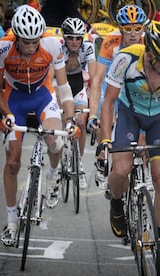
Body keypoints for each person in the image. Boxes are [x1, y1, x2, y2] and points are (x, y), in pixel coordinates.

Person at [97, 21, 160, 270]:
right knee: (120, 170)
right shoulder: (126, 60)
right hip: (130, 116)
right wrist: (105, 139)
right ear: (150, 55)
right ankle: (117, 205)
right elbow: (108, 102)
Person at [0, 5, 75, 246]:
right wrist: (6, 115)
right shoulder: (2, 49)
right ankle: (10, 221)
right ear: (16, 37)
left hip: (42, 94)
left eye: (34, 42)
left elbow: (63, 86)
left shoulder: (52, 45)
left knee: (56, 140)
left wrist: (69, 120)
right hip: (14, 99)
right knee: (12, 161)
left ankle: (51, 175)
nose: (30, 48)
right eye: (25, 42)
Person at [88, 5, 147, 188]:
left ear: (143, 29)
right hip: (111, 89)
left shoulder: (148, 44)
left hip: (134, 93)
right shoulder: (111, 42)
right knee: (103, 122)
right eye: (128, 29)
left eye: (137, 28)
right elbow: (97, 81)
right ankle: (102, 155)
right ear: (121, 29)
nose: (132, 33)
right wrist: (92, 114)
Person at [60, 17, 97, 189]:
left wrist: (92, 91)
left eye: (78, 38)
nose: (74, 42)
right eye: (70, 37)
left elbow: (94, 74)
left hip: (78, 85)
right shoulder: (59, 48)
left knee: (81, 122)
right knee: (63, 122)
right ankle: (61, 157)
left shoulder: (88, 47)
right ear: (65, 38)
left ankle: (79, 164)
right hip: (60, 84)